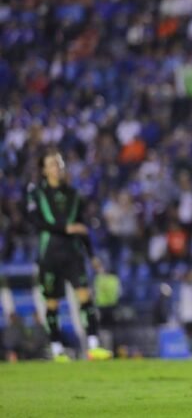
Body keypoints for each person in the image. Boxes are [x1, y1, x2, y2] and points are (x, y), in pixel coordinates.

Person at [26, 149, 112, 362]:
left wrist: (91, 255)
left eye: (59, 164)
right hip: (49, 254)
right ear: (44, 171)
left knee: (85, 296)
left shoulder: (74, 194)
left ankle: (93, 346)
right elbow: (37, 223)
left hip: (73, 254)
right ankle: (56, 349)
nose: (58, 168)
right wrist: (66, 229)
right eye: (52, 164)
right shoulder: (37, 193)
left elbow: (81, 227)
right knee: (52, 303)